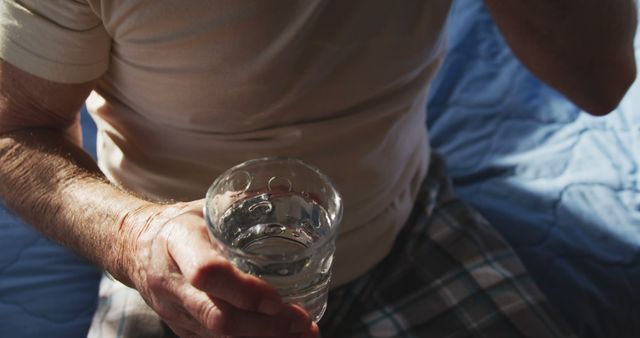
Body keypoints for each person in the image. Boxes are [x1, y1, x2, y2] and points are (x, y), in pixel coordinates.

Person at [0, 1, 635, 337]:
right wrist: (135, 241)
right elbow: (13, 132)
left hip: (408, 227)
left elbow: (602, 79)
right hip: (176, 275)